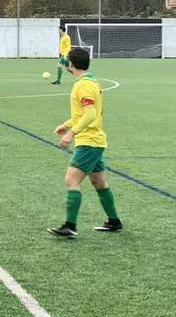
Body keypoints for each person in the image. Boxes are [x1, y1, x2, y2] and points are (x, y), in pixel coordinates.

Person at [49, 47, 122, 238]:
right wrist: (66, 125)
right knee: (99, 181)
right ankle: (114, 221)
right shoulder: (89, 82)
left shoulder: (84, 86)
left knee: (71, 179)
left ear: (71, 64)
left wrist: (70, 133)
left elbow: (89, 114)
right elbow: (84, 113)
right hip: (94, 139)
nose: (66, 63)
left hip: (89, 141)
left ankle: (70, 226)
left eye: (67, 60)